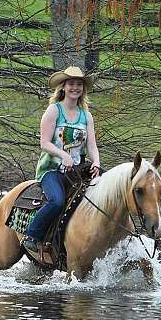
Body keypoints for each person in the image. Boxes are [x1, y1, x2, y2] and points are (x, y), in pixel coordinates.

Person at [22, 66, 101, 253]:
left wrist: (96, 162)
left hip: (77, 170)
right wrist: (63, 155)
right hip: (52, 170)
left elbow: (91, 145)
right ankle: (32, 235)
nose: (75, 88)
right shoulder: (54, 110)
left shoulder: (86, 115)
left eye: (79, 84)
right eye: (71, 84)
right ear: (63, 87)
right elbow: (45, 143)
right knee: (56, 201)